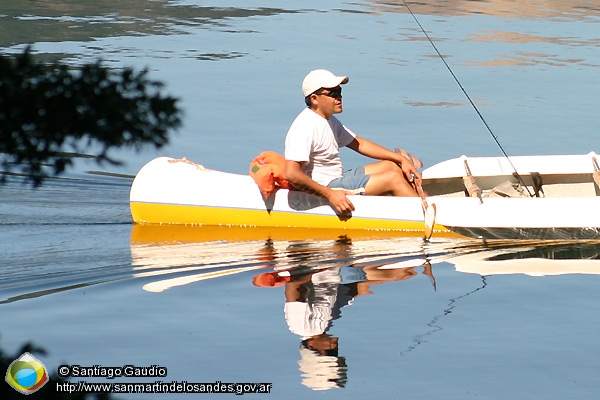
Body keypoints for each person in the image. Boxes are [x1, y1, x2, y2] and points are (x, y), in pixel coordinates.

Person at [284, 69, 423, 215]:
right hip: (327, 186)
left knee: (393, 166)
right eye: (332, 94)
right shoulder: (304, 126)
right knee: (393, 179)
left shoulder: (329, 120)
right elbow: (291, 173)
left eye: (339, 92)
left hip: (338, 177)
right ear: (314, 98)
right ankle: (424, 216)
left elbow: (360, 144)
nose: (339, 97)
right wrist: (330, 194)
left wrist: (401, 159)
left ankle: (422, 200)